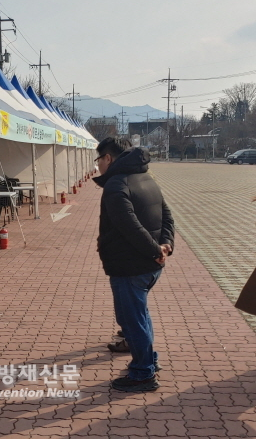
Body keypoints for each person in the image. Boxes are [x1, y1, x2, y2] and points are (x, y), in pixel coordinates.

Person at [92, 137, 174, 392]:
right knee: (140, 316)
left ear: (108, 158)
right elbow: (167, 214)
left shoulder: (117, 184)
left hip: (130, 265)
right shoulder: (145, 176)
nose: (98, 166)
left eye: (98, 160)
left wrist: (155, 251)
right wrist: (165, 244)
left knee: (133, 321)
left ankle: (142, 374)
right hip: (148, 264)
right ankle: (149, 360)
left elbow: (129, 226)